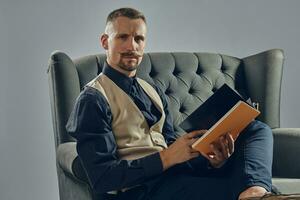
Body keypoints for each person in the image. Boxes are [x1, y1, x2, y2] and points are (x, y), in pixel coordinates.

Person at [66, 7, 274, 200]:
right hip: (141, 191)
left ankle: (254, 190)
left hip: (175, 179)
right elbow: (102, 177)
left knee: (256, 129)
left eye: (139, 38)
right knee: (251, 191)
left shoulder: (152, 91)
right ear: (105, 41)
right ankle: (255, 191)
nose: (132, 46)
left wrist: (213, 161)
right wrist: (165, 158)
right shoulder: (92, 99)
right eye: (123, 37)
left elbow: (176, 149)